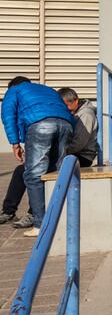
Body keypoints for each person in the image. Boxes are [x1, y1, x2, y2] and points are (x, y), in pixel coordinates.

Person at [2, 86, 100, 229]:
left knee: (36, 173)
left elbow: (78, 144)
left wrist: (46, 153)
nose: (65, 109)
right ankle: (9, 211)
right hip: (69, 153)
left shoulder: (86, 115)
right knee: (23, 170)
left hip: (80, 156)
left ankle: (35, 214)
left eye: (67, 105)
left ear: (76, 101)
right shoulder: (72, 114)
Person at [2, 76, 75, 238]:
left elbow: (8, 116)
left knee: (32, 176)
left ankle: (40, 224)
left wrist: (15, 143)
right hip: (65, 125)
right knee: (57, 173)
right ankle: (62, 218)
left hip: (41, 125)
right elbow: (64, 111)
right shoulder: (47, 89)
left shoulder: (14, 91)